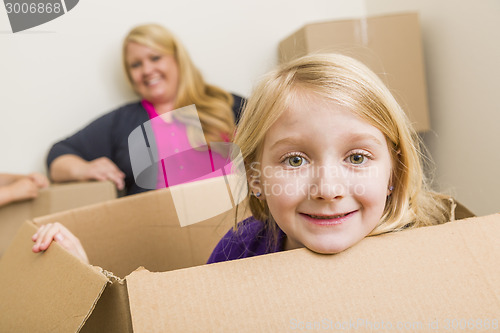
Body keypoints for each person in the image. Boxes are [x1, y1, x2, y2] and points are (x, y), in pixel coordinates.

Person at [32, 54, 461, 264]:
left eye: (357, 156)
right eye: (294, 161)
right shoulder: (241, 248)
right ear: (255, 177)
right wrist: (85, 274)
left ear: (394, 172)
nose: (329, 189)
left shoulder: (433, 250)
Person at [47, 23, 245, 195]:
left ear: (177, 59)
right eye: (136, 64)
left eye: (155, 58)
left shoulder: (225, 103)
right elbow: (58, 156)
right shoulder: (122, 122)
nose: (147, 70)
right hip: (159, 232)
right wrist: (83, 169)